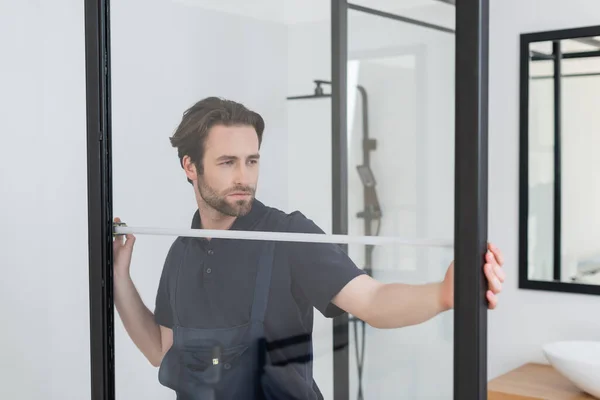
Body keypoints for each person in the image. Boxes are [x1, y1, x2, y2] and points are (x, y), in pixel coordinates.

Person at [113, 97, 505, 400]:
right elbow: (160, 350)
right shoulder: (183, 251)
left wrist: (442, 294)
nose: (244, 177)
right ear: (190, 167)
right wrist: (119, 277)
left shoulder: (288, 236)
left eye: (252, 161)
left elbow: (373, 300)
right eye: (228, 162)